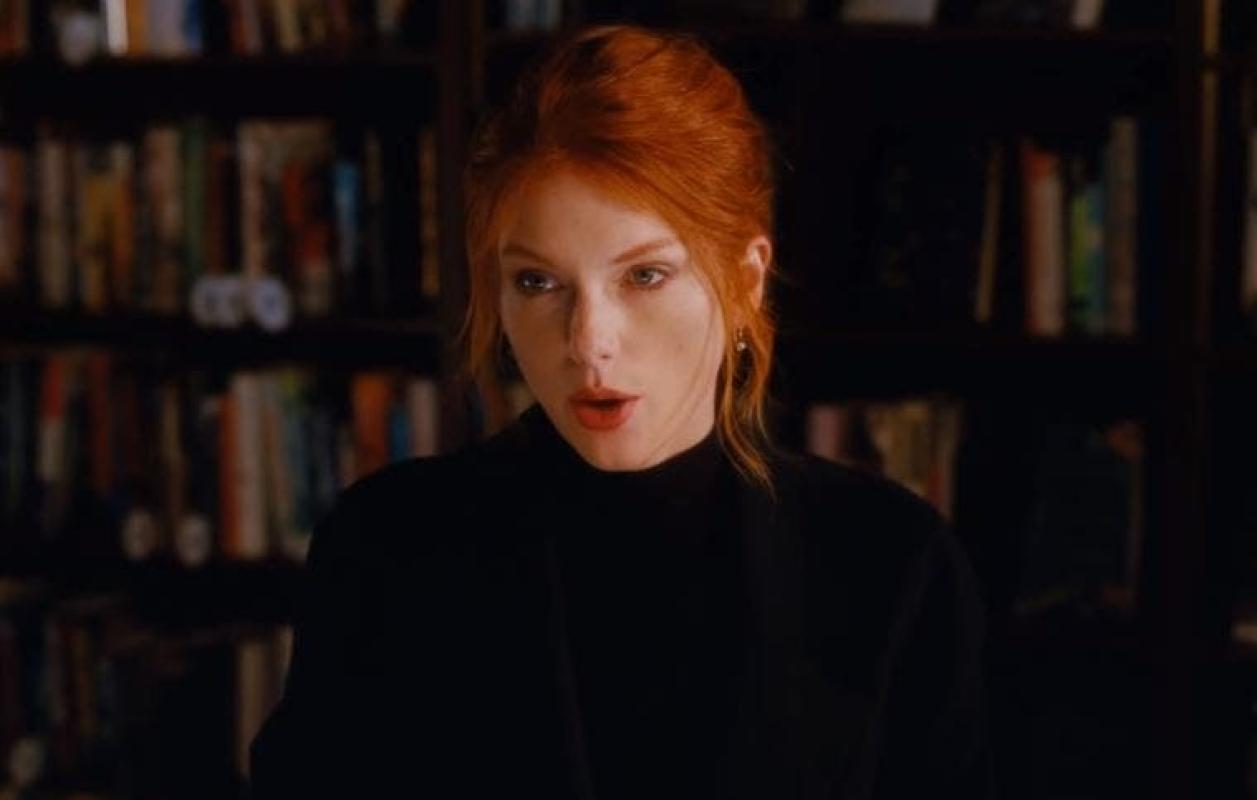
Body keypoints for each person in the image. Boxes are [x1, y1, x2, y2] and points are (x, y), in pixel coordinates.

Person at [248, 24, 996, 800]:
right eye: (537, 283)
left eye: (644, 276)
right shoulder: (385, 549)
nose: (586, 342)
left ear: (745, 282)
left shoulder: (889, 567)